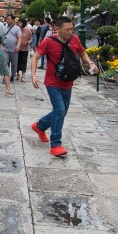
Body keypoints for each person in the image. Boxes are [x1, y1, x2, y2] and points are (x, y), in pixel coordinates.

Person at [30, 15, 97, 157]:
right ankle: (56, 145)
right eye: (67, 29)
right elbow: (35, 57)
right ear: (58, 29)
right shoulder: (49, 41)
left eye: (72, 28)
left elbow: (82, 52)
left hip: (68, 82)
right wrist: (34, 75)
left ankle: (40, 126)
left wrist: (90, 63)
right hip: (53, 82)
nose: (71, 32)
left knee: (61, 111)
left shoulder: (75, 39)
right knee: (59, 110)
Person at [15, 18, 32, 82]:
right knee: (17, 62)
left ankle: (23, 75)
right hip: (17, 48)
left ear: (23, 23)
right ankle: (17, 74)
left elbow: (30, 38)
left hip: (25, 49)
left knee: (24, 62)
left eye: (21, 22)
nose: (19, 24)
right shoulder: (16, 30)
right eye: (19, 22)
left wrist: (28, 42)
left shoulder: (27, 31)